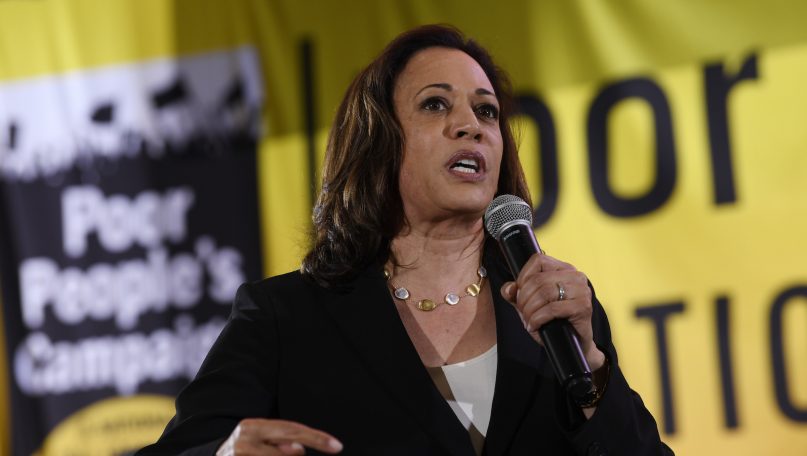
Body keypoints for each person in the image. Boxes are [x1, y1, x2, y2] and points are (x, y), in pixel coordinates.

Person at [138, 24, 673, 455]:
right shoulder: (286, 318)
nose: (472, 125)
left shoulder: (554, 307)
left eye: (487, 111)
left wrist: (594, 370)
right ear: (380, 142)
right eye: (436, 104)